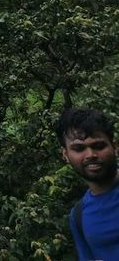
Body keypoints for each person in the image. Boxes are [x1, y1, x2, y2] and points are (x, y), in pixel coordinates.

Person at [57, 107, 119, 260]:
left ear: (115, 147)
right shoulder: (78, 216)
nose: (91, 155)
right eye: (79, 148)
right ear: (65, 154)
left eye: (98, 146)